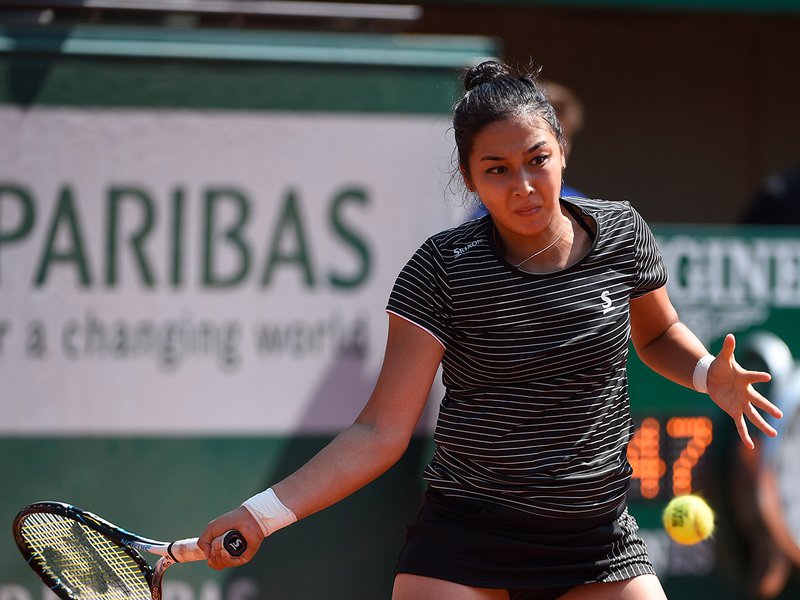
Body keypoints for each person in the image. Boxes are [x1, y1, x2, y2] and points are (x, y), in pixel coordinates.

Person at [198, 61, 782, 600]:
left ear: (562, 152)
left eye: (537, 159)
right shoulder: (441, 268)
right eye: (497, 170)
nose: (522, 185)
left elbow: (656, 334)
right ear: (469, 178)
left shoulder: (623, 234)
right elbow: (379, 430)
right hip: (464, 541)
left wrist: (705, 373)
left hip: (598, 539)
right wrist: (261, 516)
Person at [469, 76, 586, 220]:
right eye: (499, 169)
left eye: (539, 159)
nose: (524, 188)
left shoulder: (582, 210)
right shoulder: (486, 215)